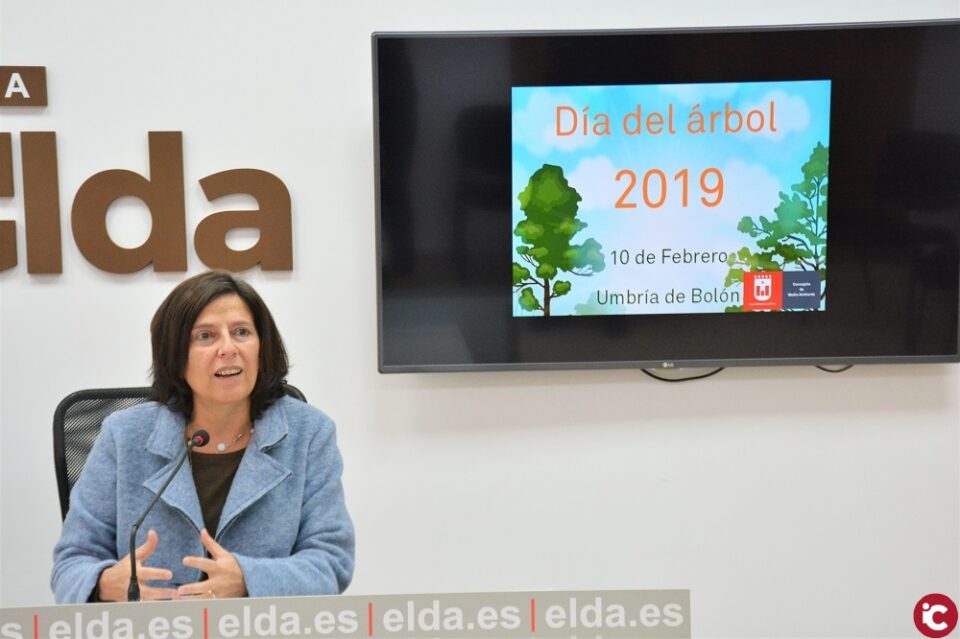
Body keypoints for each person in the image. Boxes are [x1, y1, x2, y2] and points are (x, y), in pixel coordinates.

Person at [51, 271, 355, 603]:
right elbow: (71, 563)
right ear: (176, 355)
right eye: (206, 336)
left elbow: (331, 562)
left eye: (242, 332)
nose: (228, 348)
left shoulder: (308, 434)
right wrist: (104, 583)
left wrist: (247, 579)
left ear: (262, 347)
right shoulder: (123, 436)